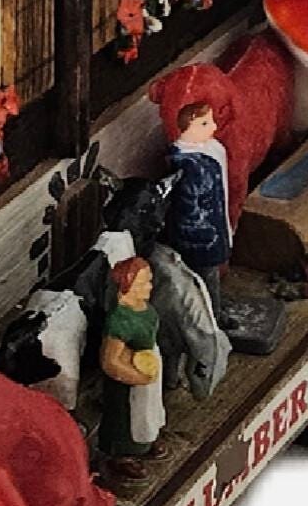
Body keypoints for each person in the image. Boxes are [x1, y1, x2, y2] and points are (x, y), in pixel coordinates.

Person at [156, 92, 235, 312]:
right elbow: (189, 207)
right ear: (188, 127)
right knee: (204, 277)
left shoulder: (206, 151)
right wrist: (203, 234)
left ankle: (216, 306)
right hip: (201, 237)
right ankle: (212, 313)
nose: (213, 127)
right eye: (205, 123)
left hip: (214, 225)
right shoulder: (188, 165)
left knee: (210, 275)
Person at [95, 260, 165, 462]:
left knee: (149, 408)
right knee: (127, 416)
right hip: (129, 377)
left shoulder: (144, 308)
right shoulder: (120, 321)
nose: (149, 287)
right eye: (143, 283)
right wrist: (137, 377)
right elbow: (110, 361)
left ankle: (146, 439)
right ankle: (123, 453)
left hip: (147, 364)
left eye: (149, 281)